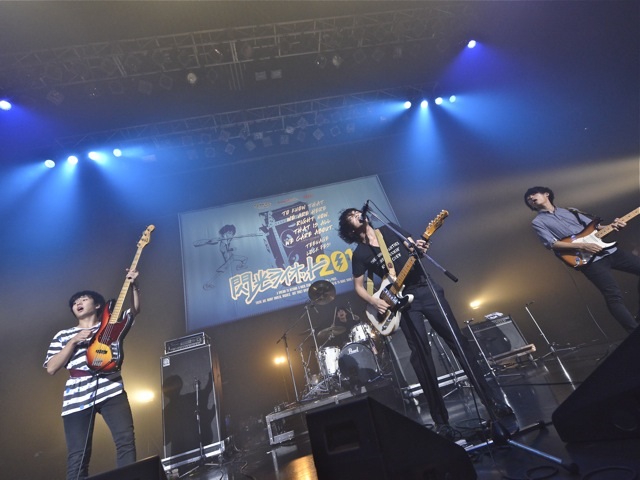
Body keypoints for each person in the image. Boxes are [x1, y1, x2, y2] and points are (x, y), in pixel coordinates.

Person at [337, 208, 513, 439]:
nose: (357, 213)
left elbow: (414, 248)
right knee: (421, 356)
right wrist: (374, 301)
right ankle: (441, 421)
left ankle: (493, 402)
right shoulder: (360, 254)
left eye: (357, 211)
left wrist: (420, 247)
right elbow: (359, 287)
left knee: (458, 342)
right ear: (349, 229)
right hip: (402, 302)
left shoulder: (389, 229)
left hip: (425, 288)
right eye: (351, 215)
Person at [44, 269, 141, 480]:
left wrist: (134, 286)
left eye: (83, 299)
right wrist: (73, 341)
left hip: (111, 387)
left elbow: (134, 311)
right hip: (76, 397)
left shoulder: (111, 326)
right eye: (74, 302)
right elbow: (51, 368)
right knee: (78, 456)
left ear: (97, 305)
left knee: (125, 441)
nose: (77, 303)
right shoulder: (63, 335)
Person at [524, 186, 640, 333]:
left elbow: (596, 228)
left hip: (609, 251)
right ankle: (634, 332)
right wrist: (583, 245)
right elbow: (551, 244)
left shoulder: (571, 211)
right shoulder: (538, 222)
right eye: (528, 199)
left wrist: (614, 226)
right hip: (589, 261)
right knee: (613, 296)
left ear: (546, 194)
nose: (531, 198)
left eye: (533, 194)